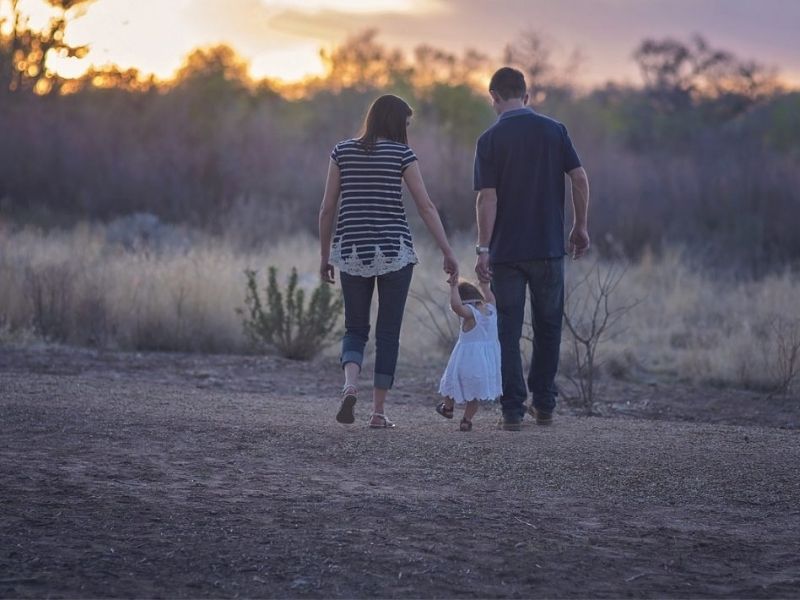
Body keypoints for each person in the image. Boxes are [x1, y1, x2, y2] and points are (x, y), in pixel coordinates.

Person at [319, 94, 458, 428]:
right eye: (406, 124)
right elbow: (426, 207)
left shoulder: (342, 151)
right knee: (388, 333)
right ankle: (378, 413)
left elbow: (326, 208)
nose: (407, 130)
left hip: (351, 251)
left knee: (355, 328)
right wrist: (447, 251)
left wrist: (325, 256)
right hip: (395, 252)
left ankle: (350, 385)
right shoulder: (402, 154)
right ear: (396, 123)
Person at [473, 67, 590, 431]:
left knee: (507, 330)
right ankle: (544, 405)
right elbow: (580, 178)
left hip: (507, 252)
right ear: (526, 96)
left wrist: (483, 248)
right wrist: (580, 226)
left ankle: (511, 410)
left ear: (493, 96)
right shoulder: (554, 131)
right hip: (548, 248)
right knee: (548, 327)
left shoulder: (489, 140)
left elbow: (486, 199)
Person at [436, 277, 502, 431]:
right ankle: (466, 420)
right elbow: (490, 297)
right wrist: (484, 285)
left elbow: (456, 306)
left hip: (467, 360)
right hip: (485, 363)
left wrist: (453, 287)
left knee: (450, 384)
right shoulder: (491, 309)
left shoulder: (470, 314)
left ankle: (448, 408)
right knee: (474, 395)